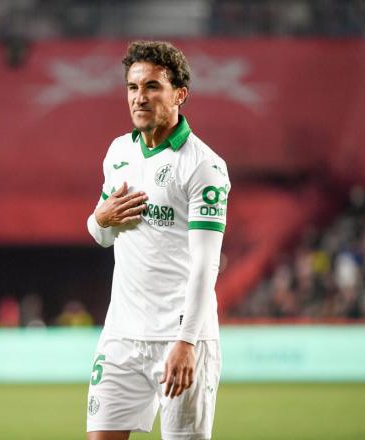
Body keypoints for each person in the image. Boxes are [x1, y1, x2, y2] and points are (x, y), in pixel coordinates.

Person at [86, 41, 230, 440]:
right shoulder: (118, 152)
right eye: (133, 88)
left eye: (152, 87)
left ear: (179, 94)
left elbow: (206, 265)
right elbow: (101, 233)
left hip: (179, 338)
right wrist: (100, 217)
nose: (139, 98)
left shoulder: (204, 166)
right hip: (121, 334)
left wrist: (187, 342)